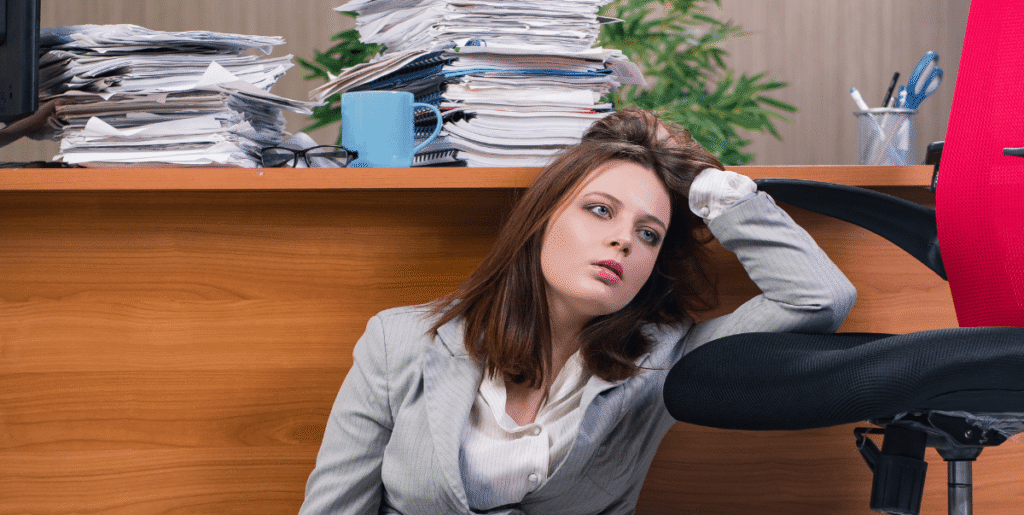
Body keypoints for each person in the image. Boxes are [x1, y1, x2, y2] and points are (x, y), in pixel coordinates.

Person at [298, 108, 857, 515]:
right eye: (600, 210)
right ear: (542, 219)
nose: (624, 241)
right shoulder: (399, 341)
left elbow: (818, 298)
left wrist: (708, 186)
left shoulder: (664, 362)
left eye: (648, 233)